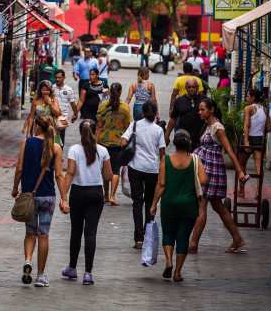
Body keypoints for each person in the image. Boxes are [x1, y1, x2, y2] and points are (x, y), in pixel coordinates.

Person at [11, 115, 66, 287]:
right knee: (43, 235)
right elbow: (58, 175)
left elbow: (19, 169)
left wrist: (15, 188)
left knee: (30, 233)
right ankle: (41, 275)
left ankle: (28, 261)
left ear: (36, 126)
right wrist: (64, 198)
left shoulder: (26, 143)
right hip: (48, 196)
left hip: (30, 195)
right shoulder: (56, 147)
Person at [188, 99, 248, 254]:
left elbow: (229, 150)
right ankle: (237, 238)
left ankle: (193, 243)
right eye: (199, 110)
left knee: (202, 204)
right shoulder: (208, 125)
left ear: (211, 110)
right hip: (207, 168)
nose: (199, 112)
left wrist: (240, 171)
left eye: (202, 109)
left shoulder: (217, 127)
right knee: (217, 205)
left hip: (211, 170)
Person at [150, 130, 207, 282]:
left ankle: (168, 261)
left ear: (174, 143)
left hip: (169, 203)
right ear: (188, 143)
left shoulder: (166, 160)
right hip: (189, 205)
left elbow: (161, 185)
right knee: (183, 238)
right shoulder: (195, 160)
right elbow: (203, 180)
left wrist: (154, 204)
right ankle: (177, 272)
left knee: (168, 233)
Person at [60, 120, 112, 285]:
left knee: (76, 231)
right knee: (91, 233)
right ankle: (88, 273)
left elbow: (70, 173)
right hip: (96, 194)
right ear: (95, 131)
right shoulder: (103, 151)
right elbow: (109, 176)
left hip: (78, 192)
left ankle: (72, 268)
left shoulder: (74, 150)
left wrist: (64, 197)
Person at [120, 101, 165, 249]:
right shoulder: (158, 130)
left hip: (136, 167)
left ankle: (138, 239)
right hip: (152, 169)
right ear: (155, 113)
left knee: (137, 202)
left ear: (143, 113)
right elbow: (162, 154)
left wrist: (130, 142)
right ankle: (148, 236)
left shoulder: (135, 125)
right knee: (150, 203)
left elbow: (122, 142)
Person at [95, 83, 131, 206]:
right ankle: (112, 196)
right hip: (118, 143)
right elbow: (128, 127)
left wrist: (96, 142)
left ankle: (105, 196)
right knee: (115, 170)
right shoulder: (125, 108)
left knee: (105, 170)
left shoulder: (103, 106)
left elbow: (99, 126)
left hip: (103, 142)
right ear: (120, 92)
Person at [238, 88, 271, 199]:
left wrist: (247, 141)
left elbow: (246, 125)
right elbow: (269, 128)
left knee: (241, 164)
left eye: (248, 96)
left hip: (249, 138)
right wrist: (260, 129)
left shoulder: (248, 108)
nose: (247, 98)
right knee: (259, 167)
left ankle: (241, 191)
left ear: (253, 97)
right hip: (259, 139)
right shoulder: (265, 109)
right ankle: (258, 192)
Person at [165, 78, 205, 148]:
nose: (191, 89)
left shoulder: (204, 100)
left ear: (197, 88)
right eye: (189, 87)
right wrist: (167, 135)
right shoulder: (179, 101)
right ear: (186, 88)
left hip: (200, 138)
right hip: (183, 138)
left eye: (193, 87)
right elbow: (173, 119)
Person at [52, 69, 79, 146]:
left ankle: (59, 154)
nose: (57, 79)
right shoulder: (52, 88)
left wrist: (75, 114)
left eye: (59, 77)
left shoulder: (69, 89)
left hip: (63, 117)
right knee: (52, 137)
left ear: (64, 78)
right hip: (52, 115)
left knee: (61, 138)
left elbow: (73, 103)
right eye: (56, 77)